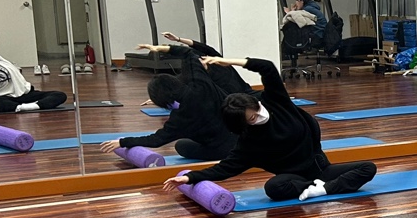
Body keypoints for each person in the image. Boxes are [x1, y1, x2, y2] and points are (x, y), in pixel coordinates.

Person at [161, 56, 377, 202]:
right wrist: (189, 178)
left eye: (257, 109)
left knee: (368, 168)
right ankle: (314, 186)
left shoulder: (276, 101)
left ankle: (323, 189)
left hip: (321, 168)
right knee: (273, 188)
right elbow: (224, 169)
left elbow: (267, 68)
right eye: (252, 118)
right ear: (244, 125)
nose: (260, 115)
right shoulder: (248, 144)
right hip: (294, 178)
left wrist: (230, 61)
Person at [99, 45, 237, 162]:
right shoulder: (199, 83)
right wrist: (163, 48)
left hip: (225, 150)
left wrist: (122, 142)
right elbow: (189, 53)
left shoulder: (180, 118)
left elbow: (156, 140)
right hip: (243, 138)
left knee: (181, 145)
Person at [160, 33, 253, 96]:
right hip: (234, 103)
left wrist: (178, 39)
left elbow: (203, 47)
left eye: (202, 59)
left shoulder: (218, 62)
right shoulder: (199, 79)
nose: (202, 62)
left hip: (248, 93)